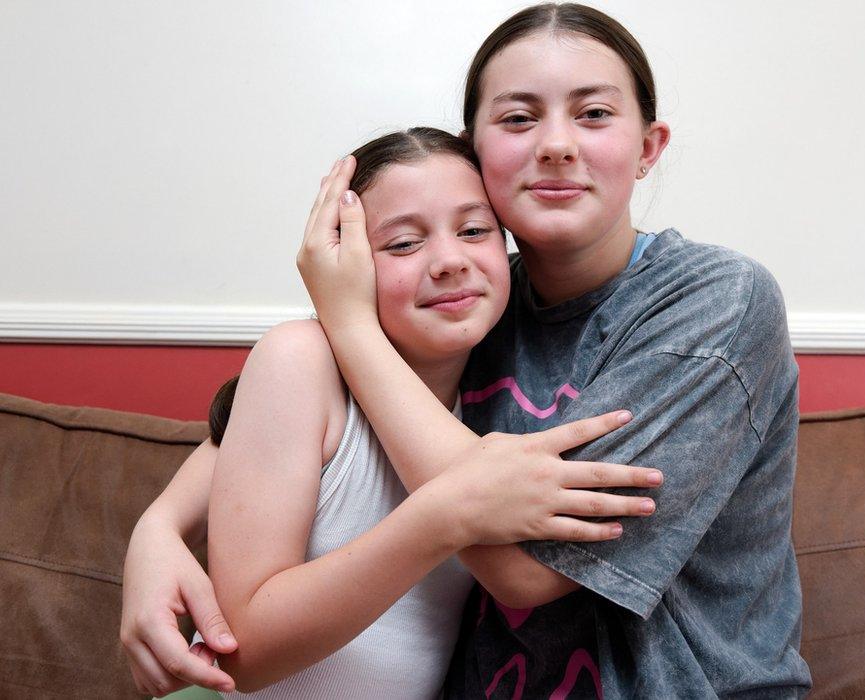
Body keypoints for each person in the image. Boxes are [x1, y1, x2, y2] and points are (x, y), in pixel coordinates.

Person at [124, 3, 812, 696]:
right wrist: (156, 530)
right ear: (476, 155)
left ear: (649, 147)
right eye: (518, 119)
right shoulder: (471, 309)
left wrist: (353, 326)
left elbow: (525, 571)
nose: (556, 145)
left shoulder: (715, 300)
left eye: (594, 114)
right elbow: (266, 420)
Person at [122, 127, 660, 699]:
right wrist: (445, 515)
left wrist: (155, 528)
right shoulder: (302, 361)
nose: (449, 261)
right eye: (403, 244)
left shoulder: (502, 386)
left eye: (475, 230)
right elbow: (243, 654)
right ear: (342, 263)